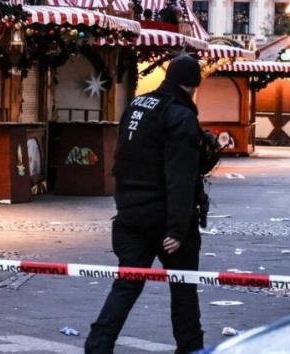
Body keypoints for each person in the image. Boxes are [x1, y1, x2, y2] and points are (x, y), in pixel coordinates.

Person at [85, 55, 209, 354]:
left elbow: (125, 158)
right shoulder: (180, 115)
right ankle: (190, 348)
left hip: (130, 215)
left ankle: (98, 345)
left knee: (127, 284)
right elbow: (180, 178)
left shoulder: (138, 105)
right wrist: (178, 229)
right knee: (183, 287)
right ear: (193, 86)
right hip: (165, 218)